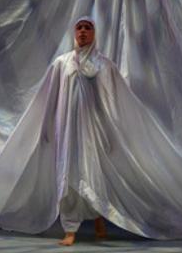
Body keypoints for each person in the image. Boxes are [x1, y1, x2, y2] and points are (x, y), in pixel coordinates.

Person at [57, 16, 108, 246]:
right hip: (69, 129)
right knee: (68, 174)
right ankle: (70, 229)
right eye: (79, 27)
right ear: (74, 33)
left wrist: (111, 129)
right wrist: (49, 127)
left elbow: (111, 99)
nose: (84, 31)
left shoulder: (103, 64)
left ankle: (99, 217)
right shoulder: (62, 63)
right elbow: (50, 97)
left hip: (93, 129)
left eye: (88, 28)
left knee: (94, 172)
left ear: (94, 34)